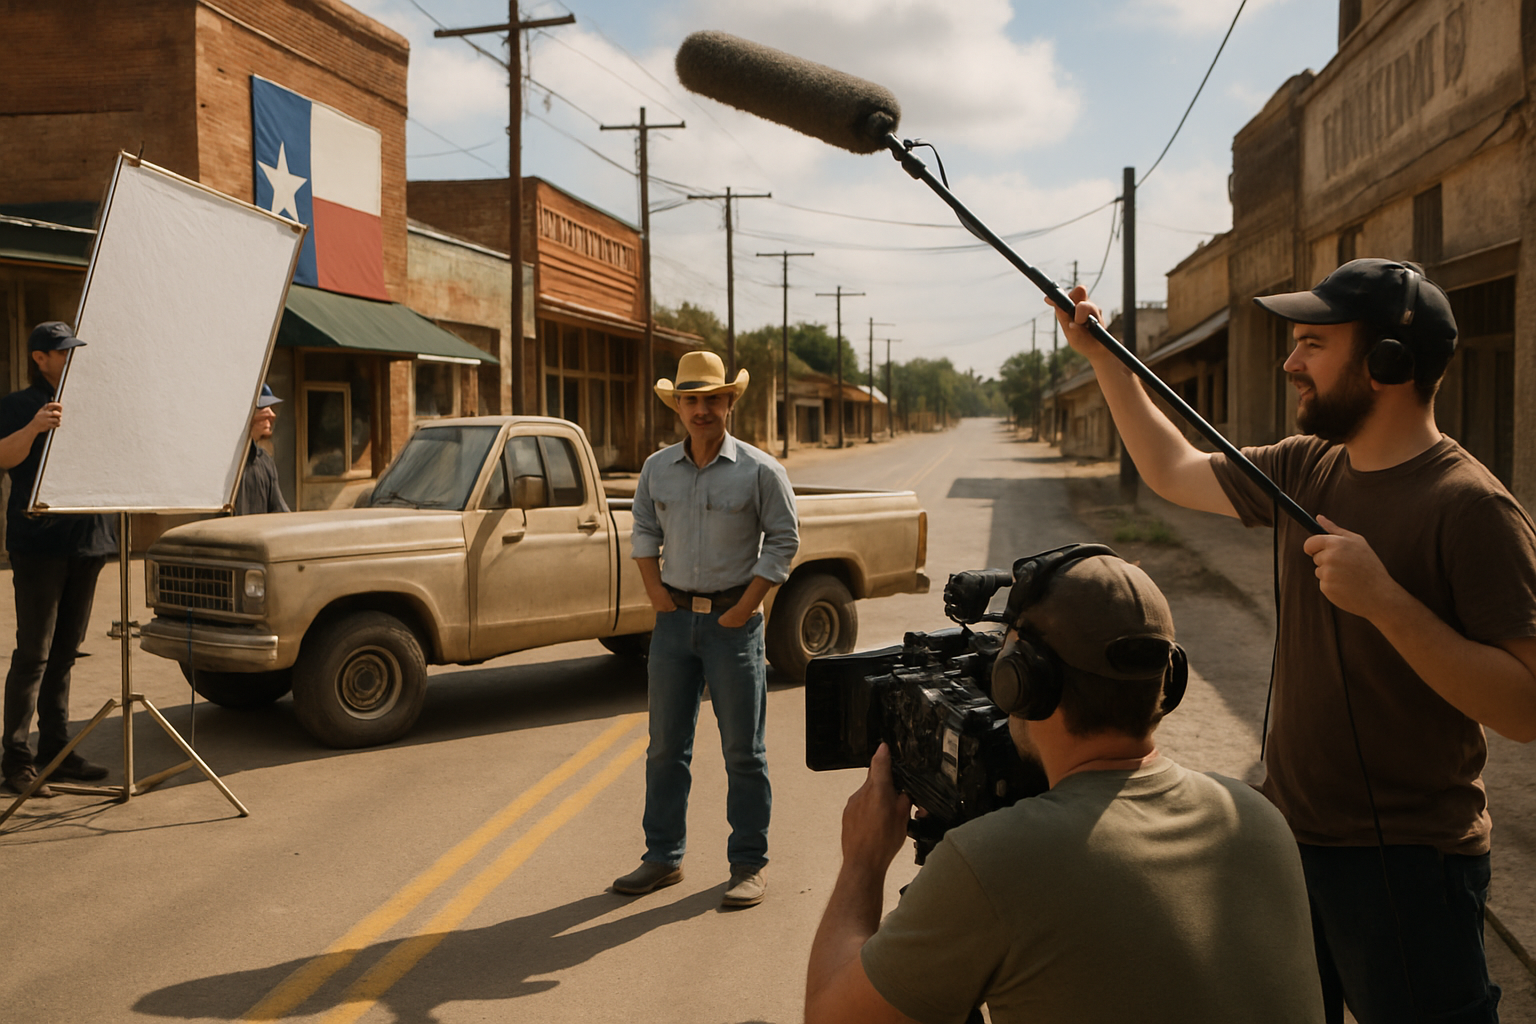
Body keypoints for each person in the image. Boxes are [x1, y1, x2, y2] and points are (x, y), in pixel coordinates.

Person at [1049, 259, 1536, 1022]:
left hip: (1411, 867)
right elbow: (1172, 470)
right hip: (1290, 841)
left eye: (1312, 343)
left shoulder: (1473, 509)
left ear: (1387, 364)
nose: (1289, 362)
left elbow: (1525, 709)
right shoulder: (1304, 466)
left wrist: (1385, 602)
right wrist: (1107, 360)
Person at [805, 548, 1325, 1023]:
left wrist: (864, 862)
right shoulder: (1257, 819)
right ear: (1170, 681)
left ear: (1022, 681)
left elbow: (829, 1016)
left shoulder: (995, 862)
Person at [613, 350, 799, 908]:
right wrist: (654, 593)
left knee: (744, 752)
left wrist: (743, 609)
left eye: (711, 399)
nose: (701, 409)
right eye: (690, 400)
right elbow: (644, 528)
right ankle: (662, 858)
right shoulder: (656, 468)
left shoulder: (761, 471)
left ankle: (748, 864)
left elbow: (784, 540)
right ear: (678, 407)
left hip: (732, 627)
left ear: (729, 403)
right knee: (666, 748)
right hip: (672, 626)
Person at [0, 322, 117, 798]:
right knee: (34, 654)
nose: (71, 359)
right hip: (39, 545)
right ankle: (14, 762)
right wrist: (34, 427)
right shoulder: (18, 405)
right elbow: (5, 459)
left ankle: (56, 752)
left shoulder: (89, 406)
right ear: (39, 358)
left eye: (74, 352)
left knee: (65, 654)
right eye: (62, 352)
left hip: (87, 542)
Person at [233, 384, 290, 515]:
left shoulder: (264, 461)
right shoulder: (227, 463)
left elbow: (278, 509)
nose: (271, 414)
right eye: (263, 407)